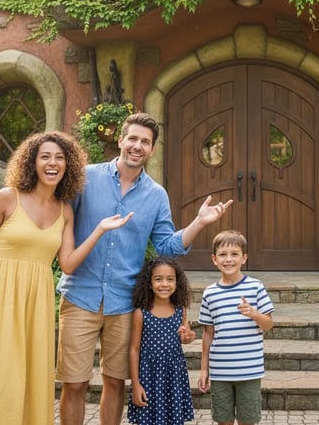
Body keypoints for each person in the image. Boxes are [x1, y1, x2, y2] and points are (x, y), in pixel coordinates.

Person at [0, 131, 132, 425]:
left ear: (68, 165)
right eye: (45, 157)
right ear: (32, 162)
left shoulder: (65, 210)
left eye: (59, 158)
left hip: (36, 303)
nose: (53, 163)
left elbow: (67, 264)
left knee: (28, 377)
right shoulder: (8, 198)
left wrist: (99, 230)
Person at [57, 111, 232, 425]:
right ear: (121, 140)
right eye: (133, 138)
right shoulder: (86, 178)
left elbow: (166, 246)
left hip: (124, 302)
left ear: (152, 150)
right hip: (79, 295)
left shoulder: (156, 195)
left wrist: (198, 223)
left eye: (145, 142)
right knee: (74, 383)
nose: (137, 146)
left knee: (114, 381)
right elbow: (59, 220)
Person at [197, 230, 274, 425]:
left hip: (249, 371)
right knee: (223, 420)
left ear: (244, 258)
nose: (228, 259)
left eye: (234, 254)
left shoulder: (256, 287)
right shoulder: (210, 293)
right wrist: (204, 370)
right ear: (214, 259)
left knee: (248, 421)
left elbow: (268, 325)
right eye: (223, 254)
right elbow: (208, 334)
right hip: (220, 372)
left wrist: (254, 313)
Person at [127, 257, 195, 425]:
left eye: (170, 279)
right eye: (158, 279)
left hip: (174, 376)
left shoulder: (181, 309)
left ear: (177, 282)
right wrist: (135, 385)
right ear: (149, 283)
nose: (164, 284)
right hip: (149, 377)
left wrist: (189, 336)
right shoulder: (141, 312)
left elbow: (185, 338)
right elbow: (134, 349)